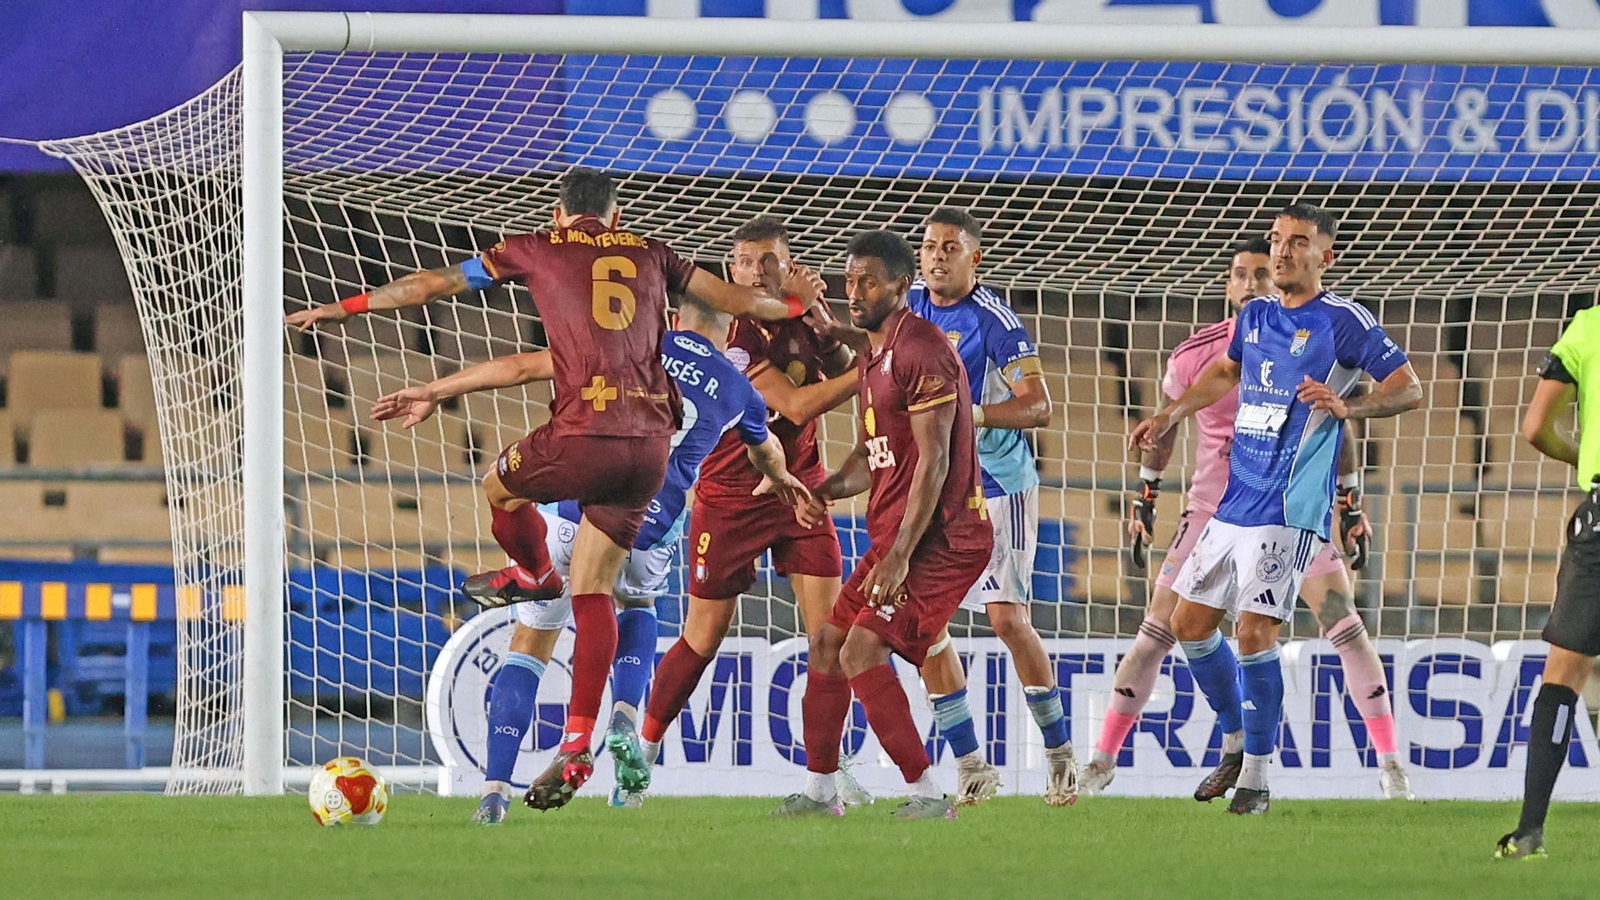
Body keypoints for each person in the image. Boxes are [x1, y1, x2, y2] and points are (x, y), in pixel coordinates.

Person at [286, 167, 824, 807]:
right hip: (651, 480)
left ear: (559, 214)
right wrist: (799, 305)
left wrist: (351, 312)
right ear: (618, 217)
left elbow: (451, 298)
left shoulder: (549, 258)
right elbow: (746, 321)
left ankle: (496, 771)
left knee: (503, 506)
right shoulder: (674, 291)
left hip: (578, 457)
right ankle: (596, 731)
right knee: (621, 600)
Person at [372, 293, 807, 821]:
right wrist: (783, 480)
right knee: (639, 605)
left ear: (672, 318)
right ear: (725, 328)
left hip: (576, 512)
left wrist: (437, 390)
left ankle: (492, 793)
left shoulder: (631, 345)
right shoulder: (741, 387)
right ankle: (624, 714)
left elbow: (520, 367)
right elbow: (766, 450)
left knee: (530, 642)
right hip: (653, 525)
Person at [1084, 237, 1413, 802]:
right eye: (1247, 269)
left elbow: (1360, 410)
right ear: (1229, 283)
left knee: (1326, 625)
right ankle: (1152, 753)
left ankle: (1367, 767)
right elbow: (1208, 389)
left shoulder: (1334, 325)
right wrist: (1152, 472)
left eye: (1279, 257)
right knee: (1174, 627)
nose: (1261, 275)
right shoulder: (1218, 342)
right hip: (1220, 506)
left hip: (1288, 507)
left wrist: (1350, 499)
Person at [639, 217, 869, 802]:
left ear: (789, 265)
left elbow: (848, 371)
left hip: (802, 493)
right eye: (743, 262)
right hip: (731, 499)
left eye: (767, 261)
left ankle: (826, 777)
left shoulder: (801, 317)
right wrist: (868, 363)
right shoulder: (733, 333)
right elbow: (795, 403)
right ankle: (640, 753)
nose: (754, 271)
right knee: (703, 636)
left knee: (831, 639)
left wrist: (832, 330)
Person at [773, 230, 993, 820]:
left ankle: (927, 794)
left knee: (863, 649)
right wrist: (821, 490)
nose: (856, 290)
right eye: (849, 279)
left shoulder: (922, 349)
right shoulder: (876, 353)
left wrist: (898, 557)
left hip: (943, 539)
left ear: (902, 286)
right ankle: (821, 793)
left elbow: (936, 460)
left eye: (868, 280)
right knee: (828, 643)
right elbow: (873, 459)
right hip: (899, 536)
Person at [905, 207, 1075, 807]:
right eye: (928, 246)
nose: (936, 257)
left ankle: (1059, 757)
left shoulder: (995, 321)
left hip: (1000, 485)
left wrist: (969, 416)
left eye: (949, 247)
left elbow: (1039, 406)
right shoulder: (909, 309)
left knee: (1005, 619)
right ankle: (972, 764)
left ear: (975, 258)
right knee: (922, 626)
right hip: (935, 487)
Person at [1495, 304, 1600, 860]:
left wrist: (1585, 455)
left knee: (1563, 677)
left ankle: (1530, 828)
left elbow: (1536, 427)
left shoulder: (1588, 326)